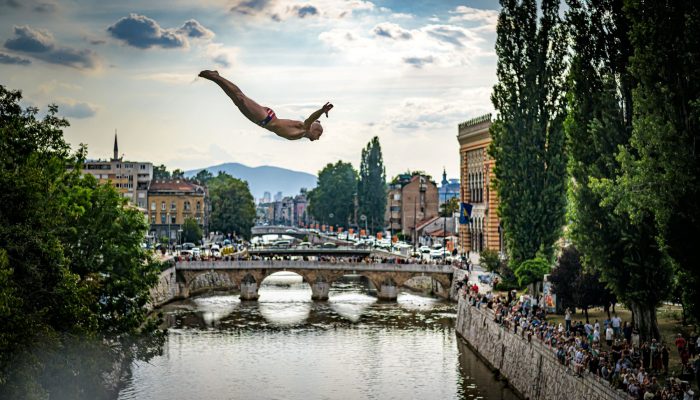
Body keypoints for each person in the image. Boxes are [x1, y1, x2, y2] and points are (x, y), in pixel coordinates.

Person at [198, 70, 333, 141]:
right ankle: (215, 76)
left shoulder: (301, 134)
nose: (318, 139)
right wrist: (321, 110)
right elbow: (310, 119)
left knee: (237, 100)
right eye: (319, 135)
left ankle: (216, 77)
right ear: (314, 131)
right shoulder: (304, 128)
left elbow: (313, 120)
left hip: (264, 120)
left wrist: (319, 118)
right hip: (266, 118)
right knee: (240, 98)